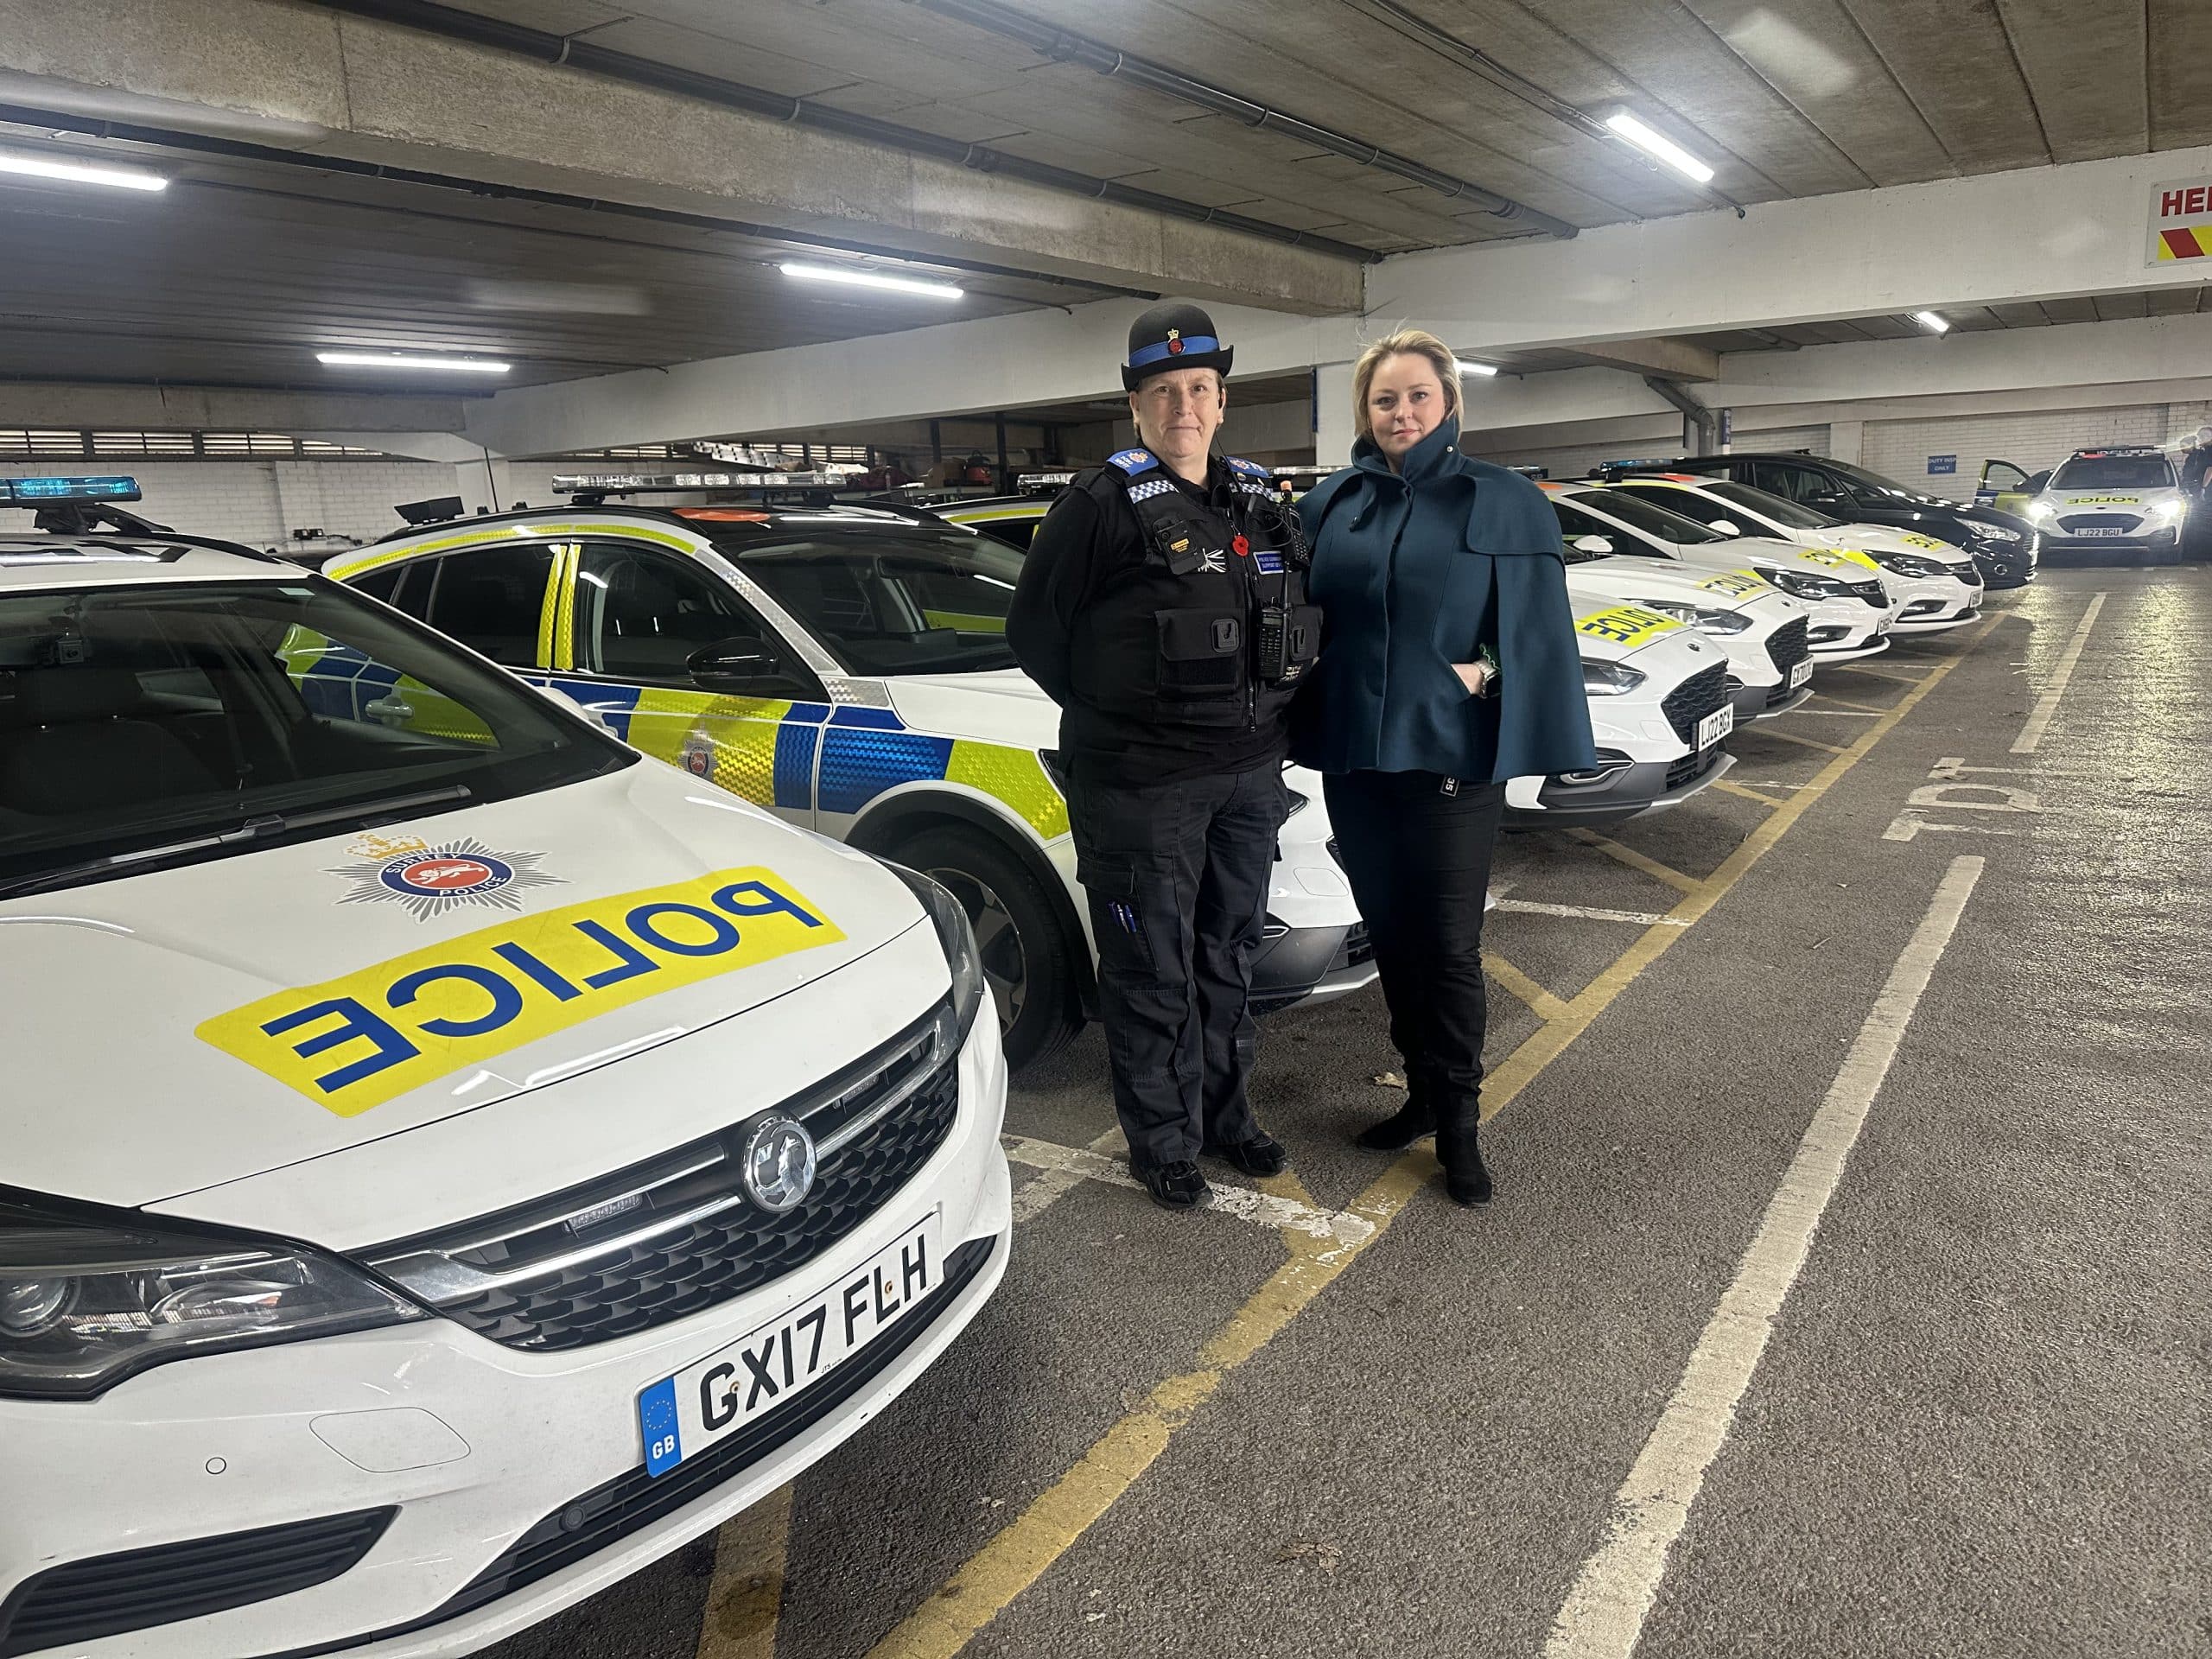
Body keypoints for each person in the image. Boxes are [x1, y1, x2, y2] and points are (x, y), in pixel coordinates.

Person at [1007, 302, 1319, 1211]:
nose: (1182, 405)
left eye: (1198, 389)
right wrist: (1123, 717)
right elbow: (1034, 633)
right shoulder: (1097, 506)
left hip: (1250, 776)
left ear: (1220, 401)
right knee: (1151, 968)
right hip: (1142, 785)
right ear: (1136, 405)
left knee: (1227, 953)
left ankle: (1227, 1116)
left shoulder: (1258, 500)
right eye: (1162, 391)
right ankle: (1165, 1140)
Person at [1292, 329, 1595, 1207]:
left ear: (1449, 403)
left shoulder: (1501, 502)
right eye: (1385, 399)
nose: (1401, 413)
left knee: (1448, 949)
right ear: (1366, 409)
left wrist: (1474, 674)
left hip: (1452, 764)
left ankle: (1459, 1125)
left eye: (1418, 397)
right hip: (1358, 761)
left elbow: (1534, 637)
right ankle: (1418, 1097)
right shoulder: (1329, 506)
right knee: (1389, 938)